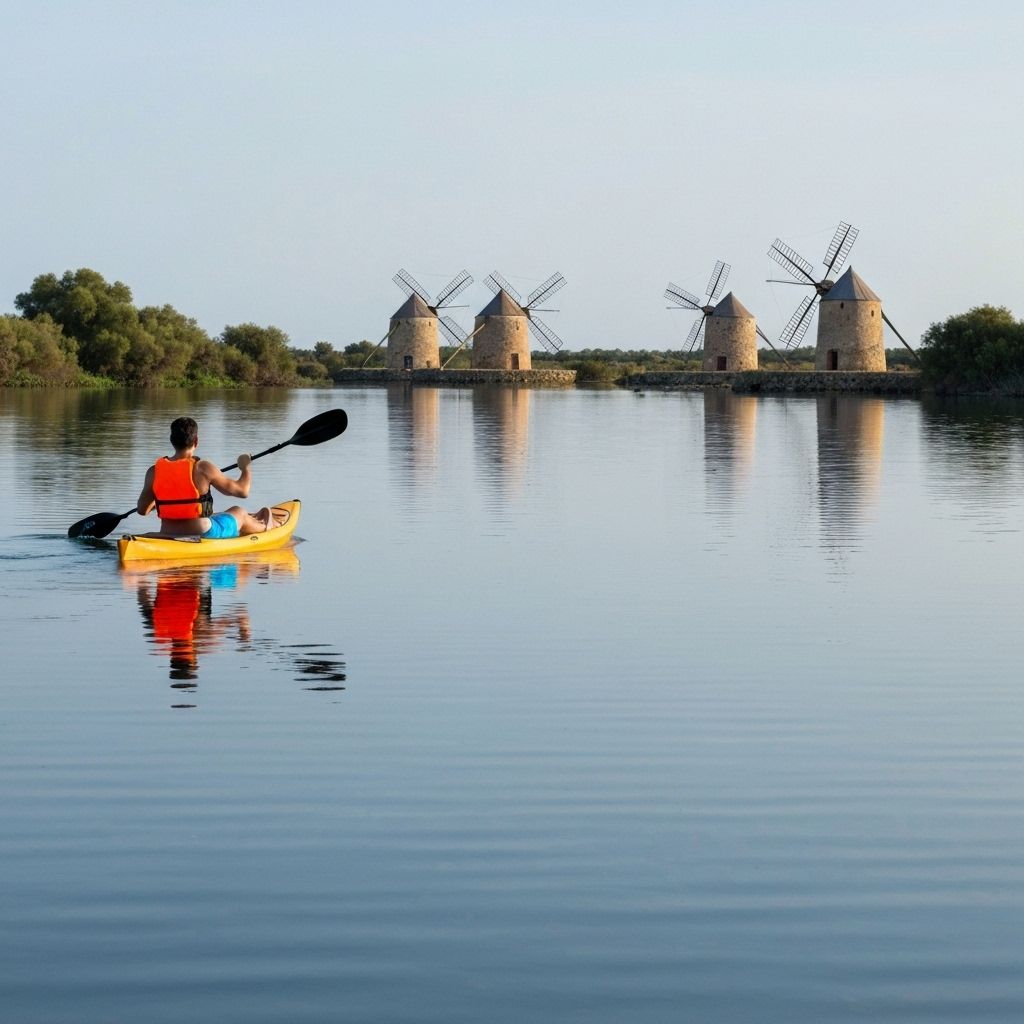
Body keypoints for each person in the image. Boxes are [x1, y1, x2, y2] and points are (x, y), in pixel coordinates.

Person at [135, 416, 277, 538]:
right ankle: (269, 529)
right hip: (202, 532)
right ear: (196, 441)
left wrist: (162, 500)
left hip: (168, 532)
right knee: (239, 512)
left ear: (172, 440)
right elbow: (242, 491)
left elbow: (142, 510)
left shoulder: (154, 471)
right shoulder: (203, 467)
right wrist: (245, 468)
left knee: (220, 514)